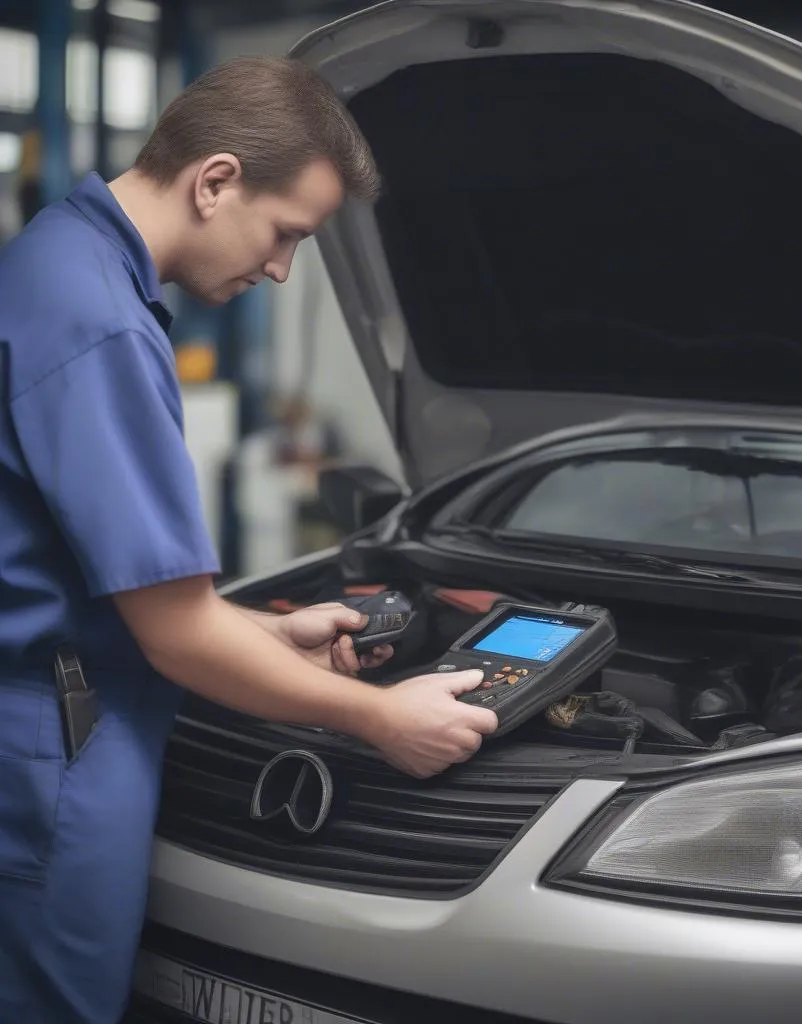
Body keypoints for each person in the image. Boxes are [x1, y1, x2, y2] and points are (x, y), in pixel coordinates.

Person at [0, 55, 498, 1023]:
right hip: (52, 763)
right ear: (215, 180)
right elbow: (177, 634)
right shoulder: (98, 323)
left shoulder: (57, 260)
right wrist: (378, 717)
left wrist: (263, 637)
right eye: (286, 235)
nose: (278, 268)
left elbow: (100, 580)